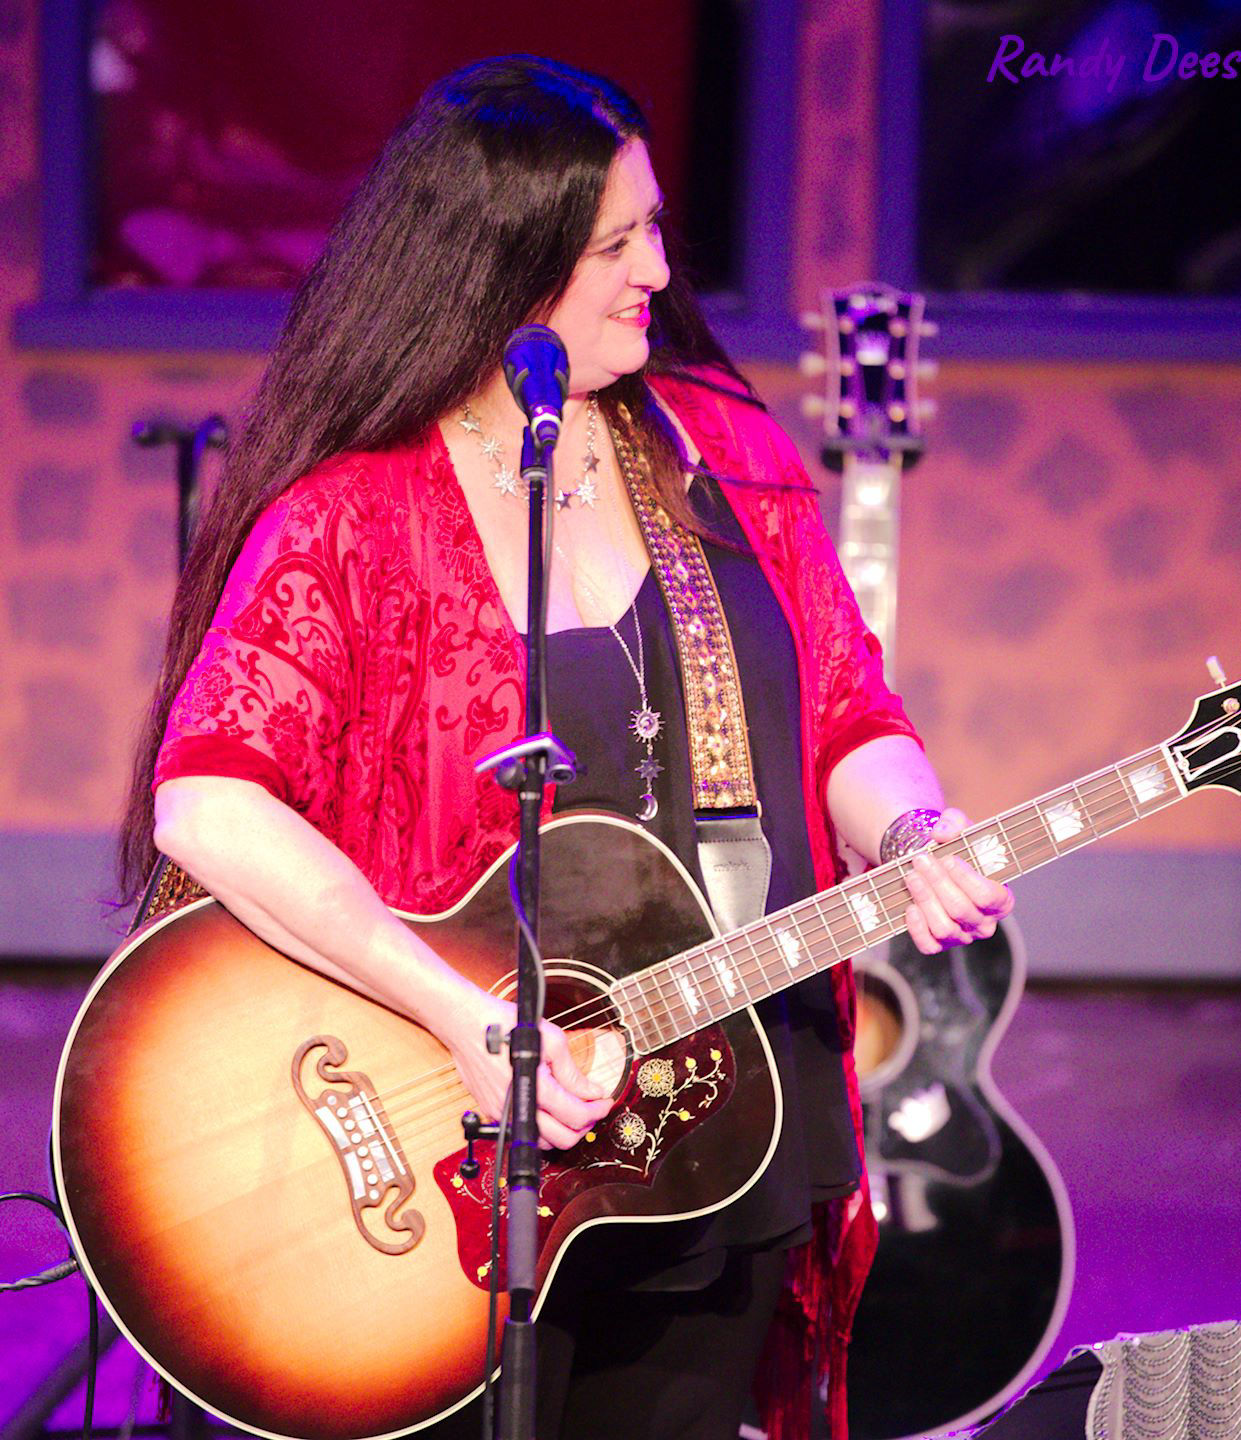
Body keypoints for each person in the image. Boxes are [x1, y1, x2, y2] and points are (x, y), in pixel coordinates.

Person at [117, 54, 1013, 1440]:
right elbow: (209, 803)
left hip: (724, 1123)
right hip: (446, 1161)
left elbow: (849, 710)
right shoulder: (355, 515)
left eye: (656, 229)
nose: (656, 270)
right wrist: (464, 1020)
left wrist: (911, 830)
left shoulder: (724, 454)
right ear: (503, 265)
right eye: (613, 245)